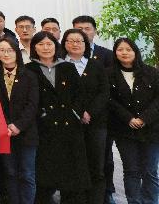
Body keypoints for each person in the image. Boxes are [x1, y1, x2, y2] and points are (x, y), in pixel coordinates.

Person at [25, 31, 89, 203]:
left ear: (56, 46)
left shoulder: (67, 67)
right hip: (44, 128)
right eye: (41, 44)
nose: (45, 48)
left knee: (72, 173)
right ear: (34, 48)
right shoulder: (29, 69)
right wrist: (42, 114)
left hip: (69, 127)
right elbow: (27, 98)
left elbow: (79, 94)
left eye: (49, 44)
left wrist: (75, 113)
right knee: (46, 173)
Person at [108, 37, 159, 204]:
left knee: (150, 171)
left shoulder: (151, 72)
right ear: (115, 53)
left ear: (135, 52)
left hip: (151, 130)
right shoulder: (108, 74)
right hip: (124, 130)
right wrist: (128, 118)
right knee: (131, 171)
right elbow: (109, 100)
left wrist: (144, 118)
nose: (124, 52)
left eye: (128, 49)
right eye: (120, 49)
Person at [62, 28, 109, 204]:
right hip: (67, 123)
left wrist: (89, 112)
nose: (75, 44)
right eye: (70, 40)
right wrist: (77, 112)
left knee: (96, 165)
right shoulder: (58, 66)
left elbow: (104, 92)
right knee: (70, 165)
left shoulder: (96, 65)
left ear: (86, 44)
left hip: (95, 123)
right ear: (64, 44)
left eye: (79, 41)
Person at [0, 37, 38, 204]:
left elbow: (32, 105)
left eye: (10, 50)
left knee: (27, 174)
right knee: (10, 173)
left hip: (26, 132)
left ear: (16, 52)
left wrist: (18, 125)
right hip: (4, 133)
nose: (6, 54)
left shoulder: (30, 76)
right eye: (2, 50)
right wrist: (5, 125)